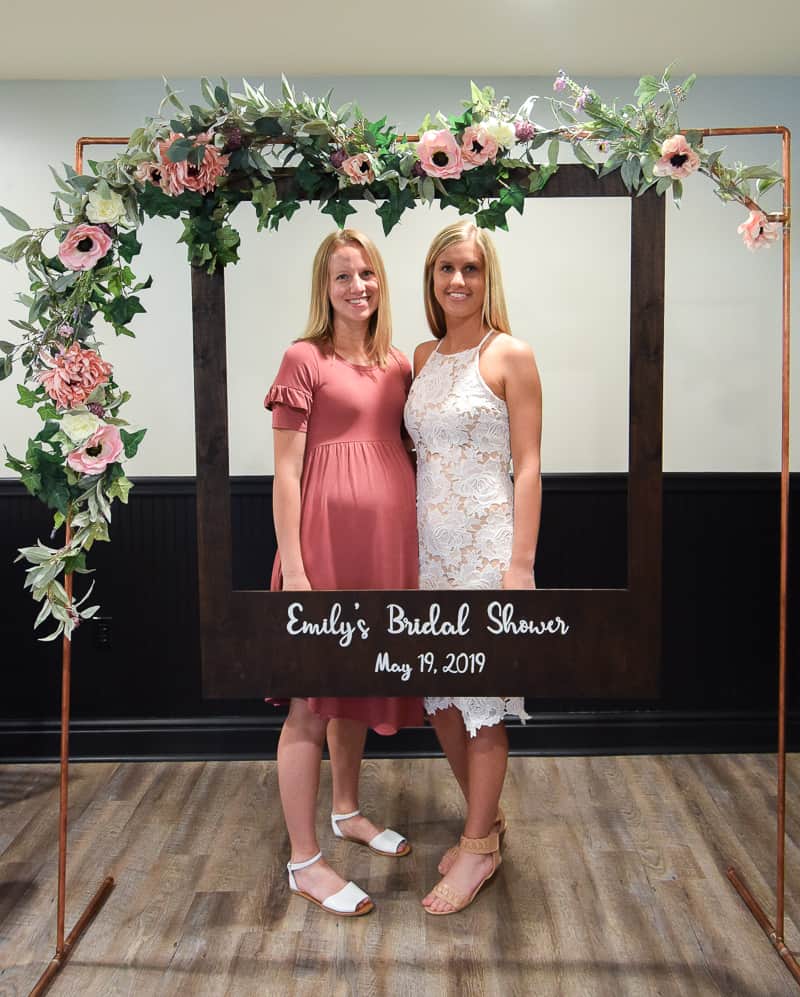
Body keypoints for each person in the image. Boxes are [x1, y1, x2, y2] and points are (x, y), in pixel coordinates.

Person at [266, 229, 422, 916]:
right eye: (342, 277)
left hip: (387, 546)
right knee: (311, 699)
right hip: (322, 547)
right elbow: (286, 470)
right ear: (323, 289)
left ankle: (348, 810)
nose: (357, 286)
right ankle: (303, 860)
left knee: (357, 681)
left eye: (366, 274)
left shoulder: (397, 363)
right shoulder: (303, 358)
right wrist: (295, 568)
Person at [404, 219, 542, 915]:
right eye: (445, 269)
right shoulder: (423, 355)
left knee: (484, 707)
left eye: (471, 269)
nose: (458, 281)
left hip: (488, 552)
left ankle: (478, 848)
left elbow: (529, 465)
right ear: (431, 279)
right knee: (442, 703)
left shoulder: (510, 354)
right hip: (428, 553)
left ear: (488, 278)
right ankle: (483, 825)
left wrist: (521, 564)